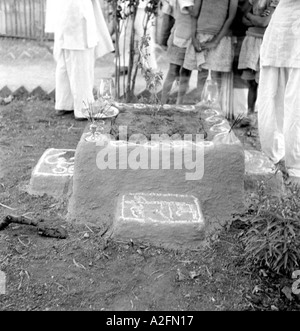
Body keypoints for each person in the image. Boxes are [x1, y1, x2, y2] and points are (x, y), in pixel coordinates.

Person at [45, 0, 114, 119]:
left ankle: (64, 104)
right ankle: (84, 109)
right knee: (81, 63)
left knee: (66, 63)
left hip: (66, 13)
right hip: (76, 13)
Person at [257, 0, 300, 186]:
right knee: (293, 103)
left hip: (279, 28)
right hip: (291, 28)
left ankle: (272, 158)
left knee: (272, 97)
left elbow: (260, 7)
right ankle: (295, 168)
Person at [177, 0, 238, 105]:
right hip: (201, 34)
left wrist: (215, 41)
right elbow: (195, 14)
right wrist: (193, 37)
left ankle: (216, 110)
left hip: (220, 37)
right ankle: (200, 106)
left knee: (217, 75)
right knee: (202, 73)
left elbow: (231, 17)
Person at [237, 0, 279, 126]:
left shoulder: (275, 1)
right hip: (251, 40)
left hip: (265, 42)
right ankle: (250, 115)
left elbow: (263, 22)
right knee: (251, 83)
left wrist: (250, 17)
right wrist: (254, 18)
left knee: (263, 83)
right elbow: (242, 16)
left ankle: (263, 119)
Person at [161, 0, 195, 104]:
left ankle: (179, 103)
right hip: (180, 38)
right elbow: (194, 11)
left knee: (186, 72)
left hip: (192, 39)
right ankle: (163, 102)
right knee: (173, 71)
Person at [114, 0, 158, 76]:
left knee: (145, 35)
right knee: (124, 36)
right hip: (125, 5)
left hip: (143, 6)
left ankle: (151, 67)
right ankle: (123, 64)